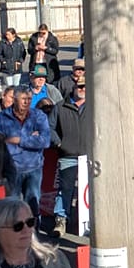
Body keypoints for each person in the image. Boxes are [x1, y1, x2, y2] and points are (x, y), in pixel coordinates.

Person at [0, 89, 51, 228]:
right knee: (12, 206)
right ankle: (14, 235)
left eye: (29, 99)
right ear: (14, 99)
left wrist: (19, 140)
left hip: (34, 167)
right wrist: (33, 138)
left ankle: (35, 236)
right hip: (12, 168)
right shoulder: (1, 118)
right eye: (23, 99)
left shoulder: (38, 116)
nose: (27, 102)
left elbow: (45, 141)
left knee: (33, 204)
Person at [49, 80, 86, 235]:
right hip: (67, 154)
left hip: (88, 155)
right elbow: (49, 127)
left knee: (89, 191)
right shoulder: (59, 106)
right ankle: (61, 219)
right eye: (80, 86)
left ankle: (88, 223)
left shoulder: (94, 106)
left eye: (85, 87)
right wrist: (59, 143)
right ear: (74, 88)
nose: (82, 89)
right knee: (65, 189)